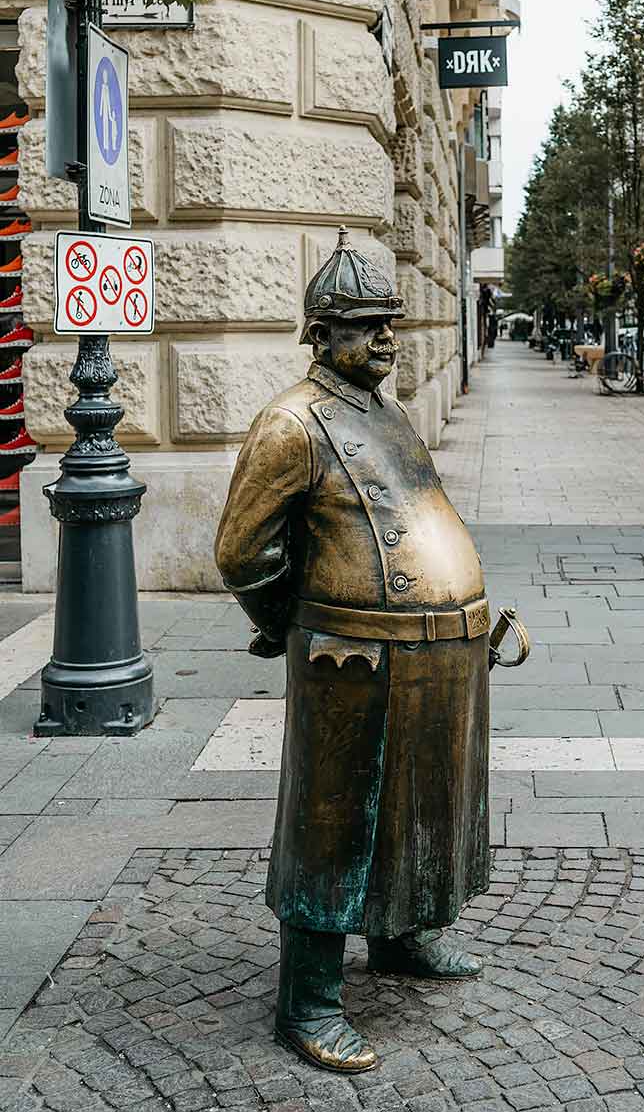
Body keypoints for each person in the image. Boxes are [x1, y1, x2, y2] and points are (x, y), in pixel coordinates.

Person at [215, 229, 492, 1075]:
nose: (384, 339)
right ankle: (310, 997)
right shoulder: (290, 424)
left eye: (390, 324)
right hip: (353, 663)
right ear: (322, 334)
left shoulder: (387, 411)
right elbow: (241, 550)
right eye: (366, 325)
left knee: (421, 807)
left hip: (435, 659)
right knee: (333, 825)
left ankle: (405, 933)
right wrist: (285, 619)